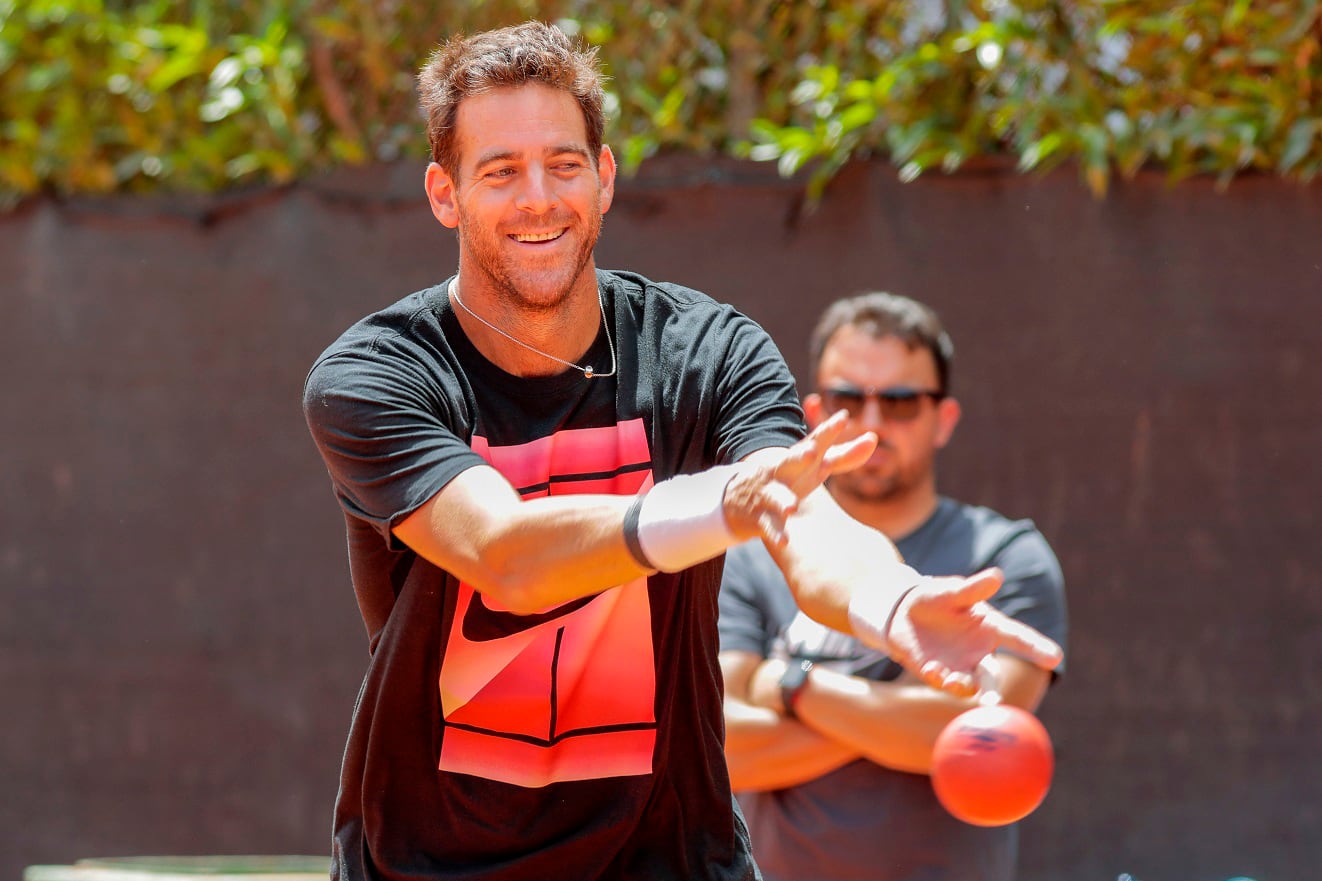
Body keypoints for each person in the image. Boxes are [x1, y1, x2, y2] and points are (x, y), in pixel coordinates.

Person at [301, 22, 1062, 881]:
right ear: (445, 194)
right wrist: (723, 501)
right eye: (500, 171)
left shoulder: (711, 350)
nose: (539, 198)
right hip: (426, 862)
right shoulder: (375, 373)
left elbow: (801, 516)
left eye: (564, 162)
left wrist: (890, 602)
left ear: (606, 177)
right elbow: (503, 555)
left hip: (672, 859)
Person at [718, 291, 1069, 881]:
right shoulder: (752, 557)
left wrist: (788, 684)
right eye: (848, 399)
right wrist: (899, 720)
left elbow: (975, 737)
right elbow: (720, 752)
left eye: (902, 402)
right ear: (812, 414)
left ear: (944, 420)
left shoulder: (1003, 559)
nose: (873, 424)